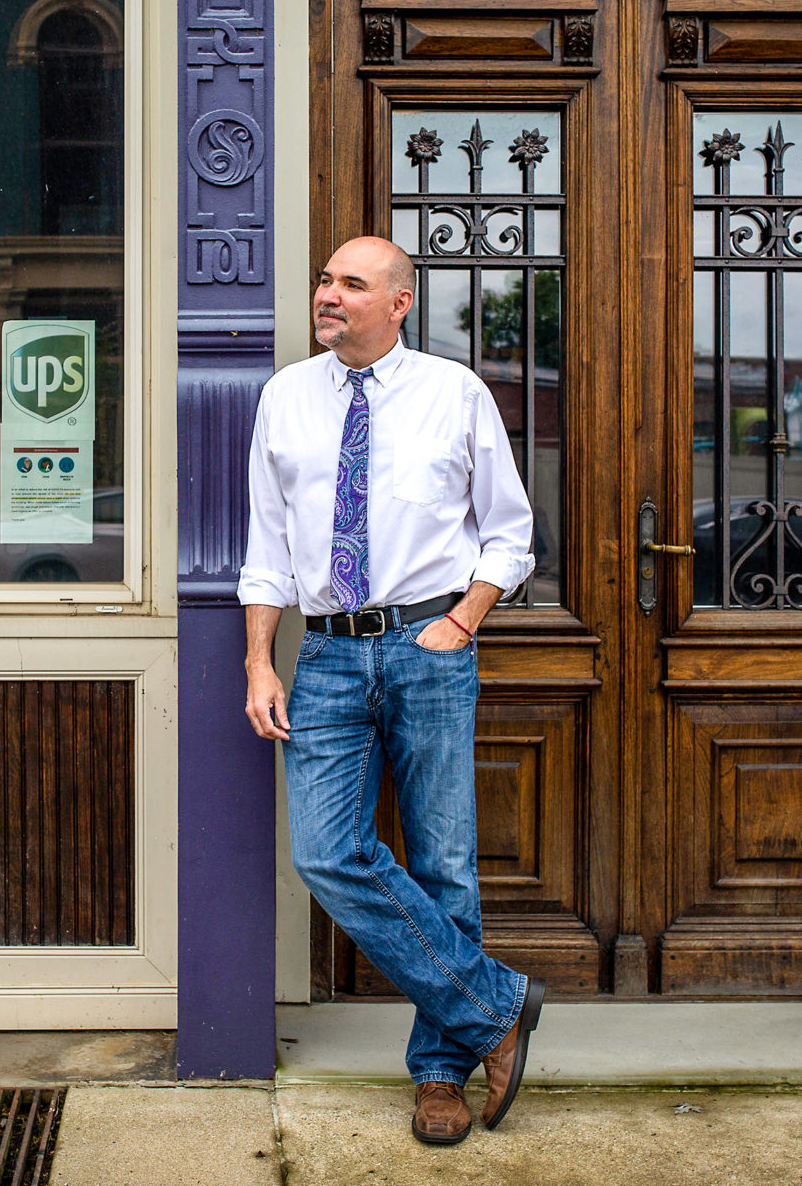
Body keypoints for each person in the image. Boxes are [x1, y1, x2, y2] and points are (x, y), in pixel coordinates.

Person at [240, 234, 546, 1146]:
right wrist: (261, 660)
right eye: (325, 279)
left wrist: (463, 621)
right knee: (328, 853)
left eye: (351, 283)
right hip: (327, 654)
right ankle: (496, 1008)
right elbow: (265, 549)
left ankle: (441, 1072)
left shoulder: (454, 393)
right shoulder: (284, 396)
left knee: (444, 861)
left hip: (428, 641)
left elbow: (510, 531)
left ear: (399, 302)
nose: (327, 295)